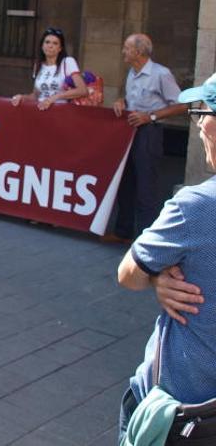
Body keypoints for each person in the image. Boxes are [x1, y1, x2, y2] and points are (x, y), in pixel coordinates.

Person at [115, 72, 216, 443]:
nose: (200, 123)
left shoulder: (197, 206)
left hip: (183, 409)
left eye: (201, 111)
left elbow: (128, 273)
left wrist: (155, 276)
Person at [103, 33, 188, 243]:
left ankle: (145, 240)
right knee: (126, 183)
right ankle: (122, 232)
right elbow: (130, 97)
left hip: (149, 132)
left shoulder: (161, 74)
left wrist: (150, 116)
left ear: (138, 52)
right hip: (128, 132)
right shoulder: (132, 72)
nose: (123, 51)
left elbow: (182, 105)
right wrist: (121, 100)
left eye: (127, 48)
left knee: (146, 187)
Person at [11, 27, 88, 110]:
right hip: (40, 110)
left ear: (60, 48)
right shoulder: (38, 65)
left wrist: (53, 98)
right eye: (47, 42)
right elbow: (36, 95)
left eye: (55, 43)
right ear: (42, 46)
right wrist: (22, 97)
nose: (50, 46)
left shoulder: (67, 62)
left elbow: (82, 90)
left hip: (61, 111)